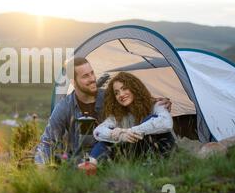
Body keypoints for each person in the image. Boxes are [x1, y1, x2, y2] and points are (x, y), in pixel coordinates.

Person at [34, 58, 172, 166]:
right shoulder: (64, 107)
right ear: (73, 82)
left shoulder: (109, 97)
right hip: (83, 160)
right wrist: (41, 169)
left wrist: (155, 103)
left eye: (92, 73)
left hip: (117, 153)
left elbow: (135, 104)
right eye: (85, 76)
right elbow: (47, 142)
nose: (93, 78)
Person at [90, 72, 175, 161]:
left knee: (150, 119)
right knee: (105, 141)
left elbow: (167, 123)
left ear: (134, 88)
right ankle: (91, 165)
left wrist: (129, 131)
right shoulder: (118, 115)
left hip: (164, 153)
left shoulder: (157, 104)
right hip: (138, 155)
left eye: (124, 88)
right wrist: (120, 135)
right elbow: (97, 132)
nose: (121, 95)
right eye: (116, 93)